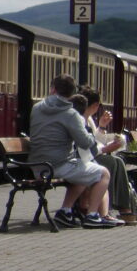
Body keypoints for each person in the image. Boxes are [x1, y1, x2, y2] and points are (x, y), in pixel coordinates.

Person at [28, 74, 116, 229]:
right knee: (103, 174)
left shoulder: (36, 108)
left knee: (82, 172)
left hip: (36, 165)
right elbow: (85, 142)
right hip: (58, 164)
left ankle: (66, 211)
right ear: (72, 93)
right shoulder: (71, 114)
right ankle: (92, 215)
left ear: (53, 89)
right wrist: (89, 132)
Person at [79, 86, 137, 225]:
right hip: (84, 158)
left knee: (117, 161)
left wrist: (102, 127)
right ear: (95, 105)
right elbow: (86, 145)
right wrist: (106, 149)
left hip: (89, 156)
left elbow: (94, 140)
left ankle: (124, 207)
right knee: (110, 162)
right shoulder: (81, 119)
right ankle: (107, 208)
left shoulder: (88, 119)